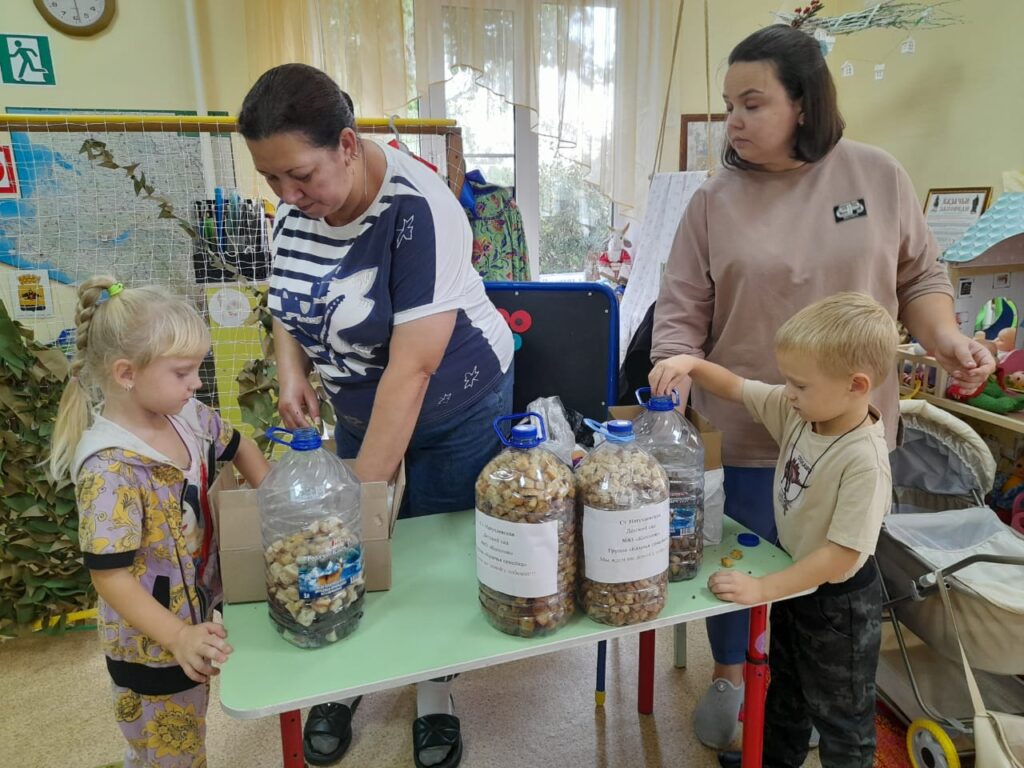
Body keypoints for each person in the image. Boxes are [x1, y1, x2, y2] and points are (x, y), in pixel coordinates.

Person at [650, 24, 995, 750]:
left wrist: (947, 340)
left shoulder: (877, 176)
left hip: (852, 433)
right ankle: (734, 677)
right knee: (740, 572)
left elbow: (920, 279)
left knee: (831, 579)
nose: (734, 122)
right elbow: (680, 311)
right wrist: (672, 379)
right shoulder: (713, 201)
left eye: (752, 104)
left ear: (803, 103)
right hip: (751, 428)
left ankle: (807, 694)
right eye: (729, 106)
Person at [238, 64, 514, 768]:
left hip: (455, 399)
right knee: (357, 546)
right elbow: (289, 296)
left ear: (347, 145)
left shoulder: (420, 209)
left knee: (432, 553)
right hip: (362, 401)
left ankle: (434, 690)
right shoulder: (296, 205)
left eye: (300, 176)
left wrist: (354, 503)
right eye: (271, 180)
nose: (287, 197)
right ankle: (344, 670)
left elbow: (413, 369)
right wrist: (294, 369)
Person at [652, 292, 898, 767]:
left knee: (842, 720)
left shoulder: (864, 461)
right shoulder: (803, 411)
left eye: (799, 384)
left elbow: (841, 556)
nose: (788, 392)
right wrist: (690, 364)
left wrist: (764, 589)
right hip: (796, 584)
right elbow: (737, 386)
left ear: (856, 385)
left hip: (840, 606)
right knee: (785, 690)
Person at [49, 277, 270, 768]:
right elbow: (110, 576)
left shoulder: (187, 415)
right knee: (169, 750)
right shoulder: (110, 469)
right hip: (152, 645)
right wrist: (176, 636)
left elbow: (239, 446)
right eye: (183, 372)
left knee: (189, 735)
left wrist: (274, 502)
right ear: (127, 374)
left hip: (194, 614)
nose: (196, 383)